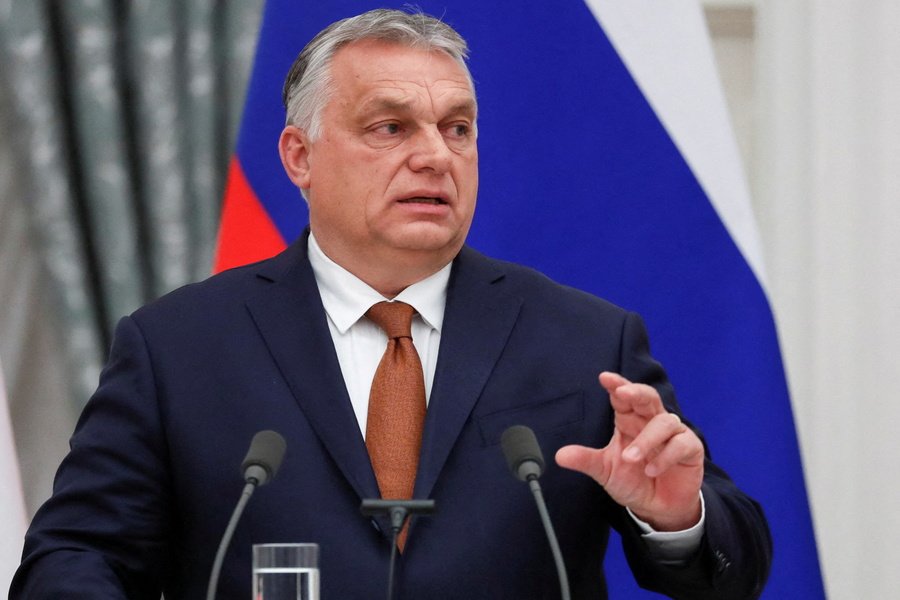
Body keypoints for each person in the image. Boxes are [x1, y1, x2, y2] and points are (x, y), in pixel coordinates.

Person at [11, 9, 771, 599]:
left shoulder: (584, 343)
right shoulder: (177, 347)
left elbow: (733, 568)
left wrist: (675, 517)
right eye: (390, 127)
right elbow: (76, 556)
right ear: (300, 158)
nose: (436, 155)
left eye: (458, 129)